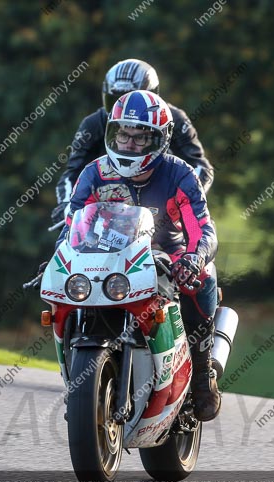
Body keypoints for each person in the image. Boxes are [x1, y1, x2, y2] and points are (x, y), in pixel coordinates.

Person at [51, 89, 221, 421]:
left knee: (205, 278)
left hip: (168, 258)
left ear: (160, 139)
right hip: (108, 260)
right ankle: (79, 381)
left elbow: (203, 229)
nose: (129, 144)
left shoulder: (181, 175)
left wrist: (194, 259)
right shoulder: (94, 173)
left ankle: (202, 375)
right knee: (63, 293)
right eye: (123, 134)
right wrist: (60, 254)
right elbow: (71, 225)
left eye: (140, 137)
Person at [51, 58, 213, 225]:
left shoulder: (175, 119)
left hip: (162, 207)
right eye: (116, 100)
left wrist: (185, 204)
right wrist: (67, 205)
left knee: (194, 240)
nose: (124, 111)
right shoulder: (93, 124)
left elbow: (201, 166)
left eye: (133, 100)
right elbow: (73, 172)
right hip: (107, 212)